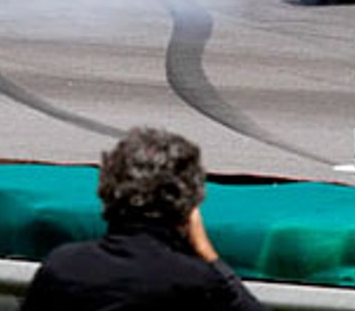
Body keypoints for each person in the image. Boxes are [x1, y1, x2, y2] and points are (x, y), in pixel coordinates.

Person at [20, 126, 265, 310]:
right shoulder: (198, 282)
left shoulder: (64, 266)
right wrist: (210, 256)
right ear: (189, 207)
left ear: (108, 192)